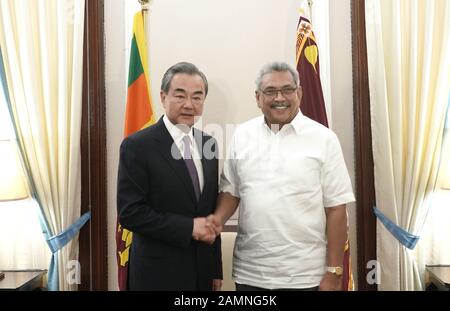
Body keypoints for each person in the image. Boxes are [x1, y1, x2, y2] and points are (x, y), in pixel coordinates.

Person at [208, 61, 355, 291]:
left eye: (287, 89)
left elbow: (336, 208)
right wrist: (215, 220)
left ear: (299, 93)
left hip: (305, 277)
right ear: (258, 97)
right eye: (270, 91)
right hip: (251, 274)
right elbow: (231, 191)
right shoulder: (242, 135)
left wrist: (334, 272)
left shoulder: (324, 139)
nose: (280, 97)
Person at [117, 62, 222, 291]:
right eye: (180, 95)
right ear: (163, 97)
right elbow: (130, 214)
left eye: (197, 97)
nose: (189, 105)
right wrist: (188, 228)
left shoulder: (209, 144)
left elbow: (210, 211)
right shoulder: (137, 146)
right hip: (157, 276)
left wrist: (215, 269)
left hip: (202, 275)